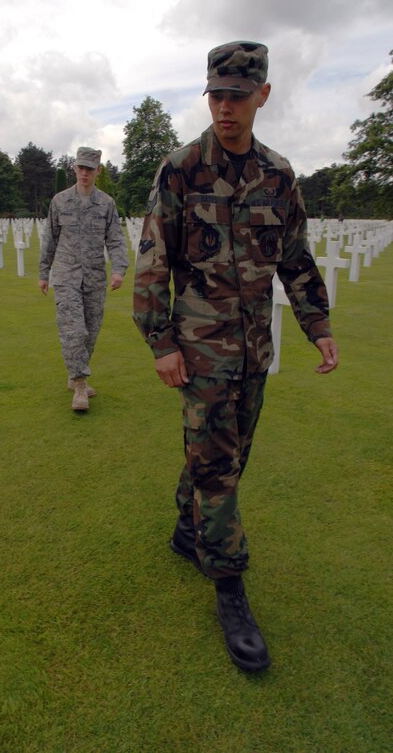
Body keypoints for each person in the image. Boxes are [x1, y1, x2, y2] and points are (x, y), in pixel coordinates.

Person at [133, 41, 339, 672]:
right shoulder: (181, 168)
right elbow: (152, 262)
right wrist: (161, 342)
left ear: (263, 97)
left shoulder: (278, 176)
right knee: (219, 466)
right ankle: (230, 587)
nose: (225, 108)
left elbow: (296, 259)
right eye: (216, 95)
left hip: (254, 350)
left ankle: (185, 527)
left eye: (237, 96)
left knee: (228, 453)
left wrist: (319, 325)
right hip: (199, 352)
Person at [39, 147, 129, 412]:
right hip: (66, 274)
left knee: (91, 330)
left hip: (94, 277)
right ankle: (80, 386)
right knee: (73, 330)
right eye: (81, 167)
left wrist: (118, 270)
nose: (84, 173)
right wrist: (44, 273)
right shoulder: (60, 201)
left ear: (98, 171)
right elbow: (49, 239)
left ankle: (75, 373)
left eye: (90, 168)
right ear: (75, 169)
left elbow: (115, 239)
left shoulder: (106, 204)